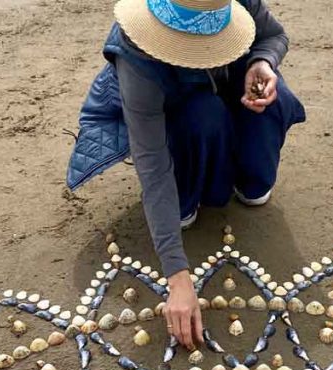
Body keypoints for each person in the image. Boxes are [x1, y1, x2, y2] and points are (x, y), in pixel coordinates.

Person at [65, 0, 306, 350]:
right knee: (202, 117)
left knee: (276, 96)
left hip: (224, 87)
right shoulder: (136, 56)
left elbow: (274, 35)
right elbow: (152, 165)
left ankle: (246, 176)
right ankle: (189, 193)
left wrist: (261, 61)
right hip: (181, 114)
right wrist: (177, 277)